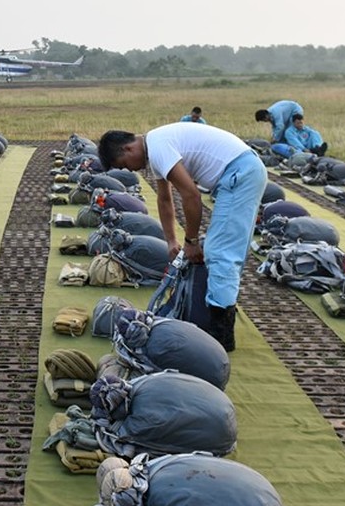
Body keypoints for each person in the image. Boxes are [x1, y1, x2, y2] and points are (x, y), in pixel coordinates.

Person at [98, 124, 267, 351]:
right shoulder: (155, 147)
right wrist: (171, 242)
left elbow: (191, 195)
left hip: (240, 174)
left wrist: (191, 241)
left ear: (128, 149)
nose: (130, 171)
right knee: (223, 249)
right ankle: (219, 317)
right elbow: (165, 200)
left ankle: (221, 336)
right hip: (240, 173)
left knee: (220, 253)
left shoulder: (158, 148)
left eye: (124, 166)